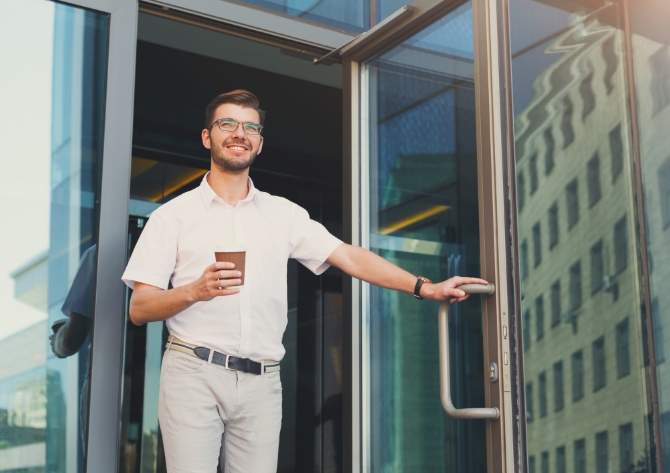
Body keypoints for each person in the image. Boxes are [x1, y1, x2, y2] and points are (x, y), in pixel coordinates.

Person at [121, 89, 488, 473]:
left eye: (250, 127)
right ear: (206, 137)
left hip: (261, 382)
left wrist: (423, 287)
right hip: (194, 372)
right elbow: (140, 308)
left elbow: (348, 256)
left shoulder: (283, 215)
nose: (239, 133)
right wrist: (194, 291)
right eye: (227, 124)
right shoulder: (173, 216)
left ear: (260, 143)